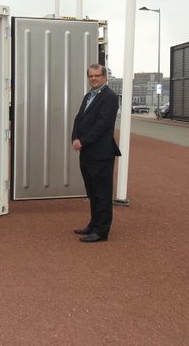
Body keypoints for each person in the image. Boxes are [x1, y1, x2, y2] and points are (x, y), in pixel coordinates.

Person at [71, 64, 121, 243]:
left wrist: (83, 141)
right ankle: (93, 224)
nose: (93, 78)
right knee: (92, 191)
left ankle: (101, 231)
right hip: (87, 152)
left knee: (102, 193)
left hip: (101, 153)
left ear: (105, 77)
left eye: (97, 75)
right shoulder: (88, 96)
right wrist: (74, 137)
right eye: (91, 76)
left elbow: (102, 124)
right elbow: (79, 119)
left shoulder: (109, 97)